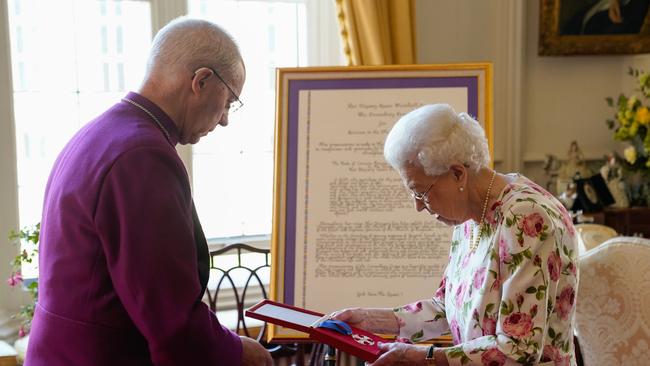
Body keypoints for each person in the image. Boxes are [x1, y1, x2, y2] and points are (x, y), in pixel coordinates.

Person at [24, 18, 272, 366]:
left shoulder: (100, 133)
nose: (225, 119)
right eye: (230, 101)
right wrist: (238, 352)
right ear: (201, 81)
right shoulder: (143, 157)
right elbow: (169, 319)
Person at [332, 104, 579, 365]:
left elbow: (519, 349)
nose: (417, 206)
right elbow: (447, 307)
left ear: (457, 173)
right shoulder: (470, 213)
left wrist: (426, 358)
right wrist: (371, 320)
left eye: (421, 192)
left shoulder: (526, 217)